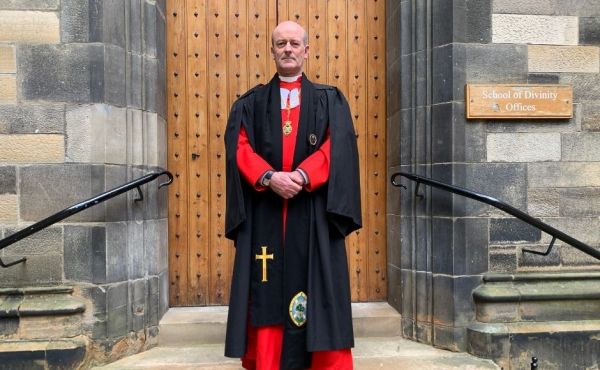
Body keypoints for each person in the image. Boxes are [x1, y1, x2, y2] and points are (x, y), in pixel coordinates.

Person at [224, 21, 361, 370]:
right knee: (266, 287)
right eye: (280, 43)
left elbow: (338, 145)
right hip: (266, 211)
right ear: (271, 50)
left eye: (294, 43)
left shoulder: (330, 100)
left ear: (306, 50)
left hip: (313, 210)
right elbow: (238, 147)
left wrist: (302, 176)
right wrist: (269, 177)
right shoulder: (249, 103)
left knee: (319, 287)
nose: (287, 48)